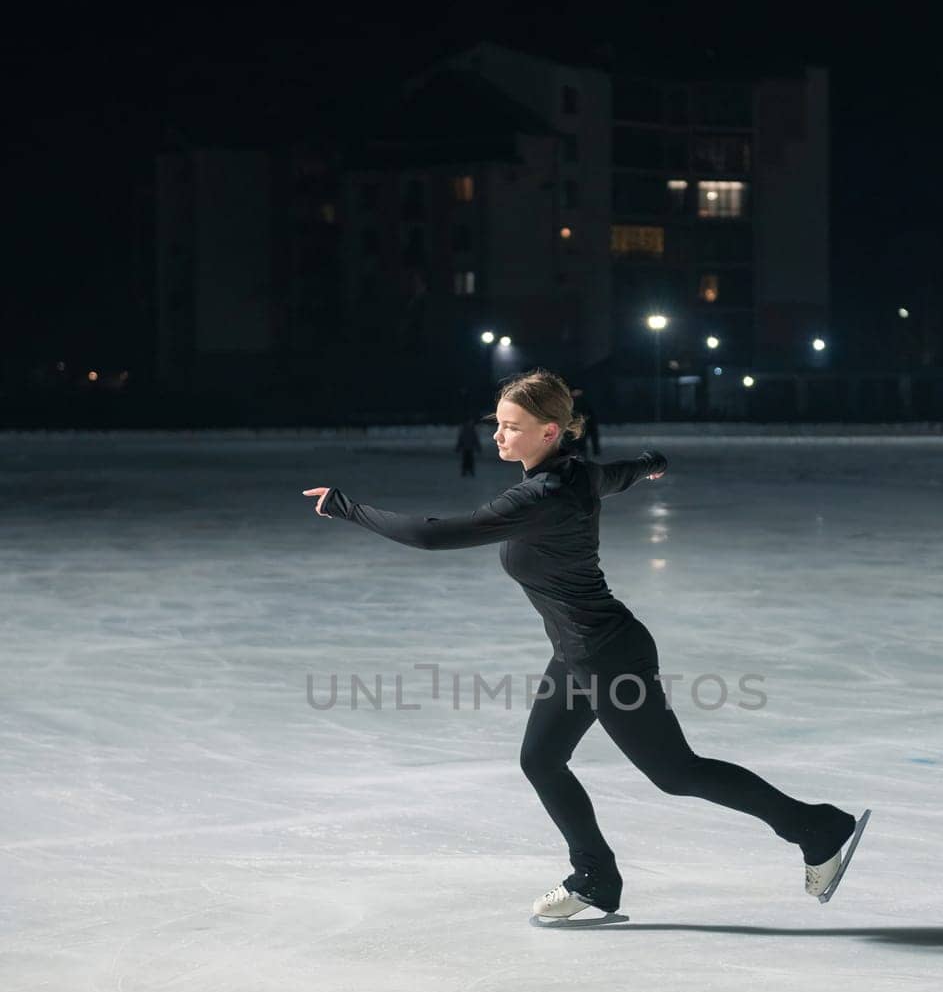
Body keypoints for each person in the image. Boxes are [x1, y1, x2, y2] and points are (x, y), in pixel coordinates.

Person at [303, 368, 865, 920]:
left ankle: (814, 827)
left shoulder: (543, 495)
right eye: (496, 424)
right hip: (579, 654)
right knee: (542, 760)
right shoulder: (574, 474)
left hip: (607, 656)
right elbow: (614, 475)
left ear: (549, 431)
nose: (497, 436)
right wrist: (650, 465)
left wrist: (345, 506)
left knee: (675, 773)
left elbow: (432, 534)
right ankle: (596, 877)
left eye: (511, 426)